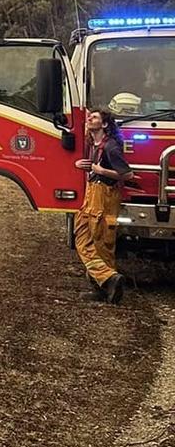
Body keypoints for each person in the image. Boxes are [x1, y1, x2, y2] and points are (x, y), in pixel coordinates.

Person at [74, 108, 133, 304]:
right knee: (82, 237)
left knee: (101, 243)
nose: (90, 119)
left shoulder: (111, 147)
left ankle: (104, 287)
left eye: (95, 117)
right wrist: (81, 165)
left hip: (104, 196)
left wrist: (101, 170)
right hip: (91, 194)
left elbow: (127, 175)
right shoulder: (92, 143)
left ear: (105, 125)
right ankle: (107, 277)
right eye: (90, 117)